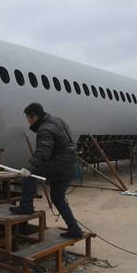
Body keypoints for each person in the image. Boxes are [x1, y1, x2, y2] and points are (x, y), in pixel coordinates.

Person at [10, 102, 83, 238]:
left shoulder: (44, 129)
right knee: (58, 198)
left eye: (28, 118)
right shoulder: (58, 121)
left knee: (28, 175)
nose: (28, 121)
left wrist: (29, 169)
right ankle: (75, 230)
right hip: (70, 165)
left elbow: (42, 152)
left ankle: (26, 207)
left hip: (59, 165)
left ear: (34, 117)